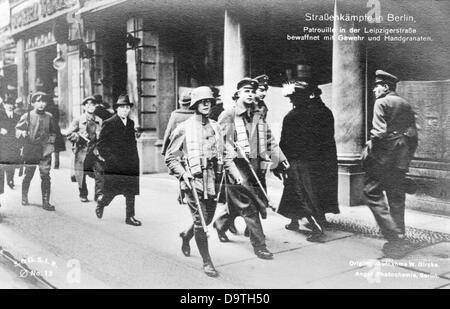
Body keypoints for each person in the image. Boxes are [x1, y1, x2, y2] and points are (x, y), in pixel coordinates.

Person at [165, 86, 241, 277]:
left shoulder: (216, 126)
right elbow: (170, 157)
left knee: (206, 218)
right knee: (201, 223)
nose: (206, 104)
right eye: (202, 102)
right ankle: (207, 262)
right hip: (194, 181)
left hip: (213, 181)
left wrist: (235, 173)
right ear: (195, 105)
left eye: (209, 101)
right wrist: (183, 174)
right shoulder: (184, 127)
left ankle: (186, 235)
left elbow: (225, 154)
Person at [215, 78, 288, 260]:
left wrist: (280, 159)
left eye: (252, 92)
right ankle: (259, 245)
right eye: (246, 91)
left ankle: (220, 223)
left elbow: (269, 139)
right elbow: (220, 143)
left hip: (254, 166)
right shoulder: (229, 115)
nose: (250, 94)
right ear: (238, 93)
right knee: (249, 205)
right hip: (236, 168)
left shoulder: (257, 114)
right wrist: (231, 149)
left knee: (238, 204)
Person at [362, 70, 418, 259]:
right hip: (401, 158)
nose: (373, 90)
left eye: (376, 86)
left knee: (371, 192)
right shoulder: (405, 104)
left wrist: (370, 154)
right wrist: (407, 157)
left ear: (385, 87)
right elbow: (413, 135)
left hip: (383, 157)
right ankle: (400, 234)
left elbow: (378, 133)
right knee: (396, 196)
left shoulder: (381, 102)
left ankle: (392, 235)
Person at [277, 78, 339, 242]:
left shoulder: (292, 116)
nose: (290, 100)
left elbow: (284, 143)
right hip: (319, 161)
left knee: (301, 193)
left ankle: (315, 228)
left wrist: (280, 164)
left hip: (298, 162)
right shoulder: (322, 112)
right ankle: (294, 221)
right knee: (303, 191)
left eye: (292, 97)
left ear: (297, 98)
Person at [96, 94, 141, 226]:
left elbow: (132, 143)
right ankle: (101, 203)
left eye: (127, 107)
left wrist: (135, 160)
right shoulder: (109, 123)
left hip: (130, 164)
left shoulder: (131, 123)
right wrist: (111, 159)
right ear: (117, 109)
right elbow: (101, 144)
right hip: (115, 165)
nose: (125, 110)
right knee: (111, 193)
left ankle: (130, 217)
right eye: (122, 107)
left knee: (130, 191)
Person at [16, 92, 56, 211]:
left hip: (45, 150)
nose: (41, 104)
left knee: (45, 175)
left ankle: (46, 202)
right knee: (28, 174)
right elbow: (17, 129)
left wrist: (50, 142)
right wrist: (23, 133)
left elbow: (53, 131)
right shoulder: (27, 116)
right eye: (38, 101)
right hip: (31, 149)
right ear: (33, 103)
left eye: (43, 101)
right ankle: (24, 196)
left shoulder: (49, 116)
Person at [64, 96, 105, 203]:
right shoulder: (78, 120)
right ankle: (83, 193)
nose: (91, 107)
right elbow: (68, 133)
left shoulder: (99, 120)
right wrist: (77, 137)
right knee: (81, 174)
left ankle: (98, 195)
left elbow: (104, 136)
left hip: (95, 152)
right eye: (88, 105)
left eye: (93, 105)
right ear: (84, 107)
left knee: (100, 172)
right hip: (82, 151)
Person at [0, 97, 21, 207]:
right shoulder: (0, 114)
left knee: (12, 163)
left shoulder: (17, 116)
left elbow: (21, 127)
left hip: (13, 144)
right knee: (2, 167)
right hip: (1, 145)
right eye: (7, 104)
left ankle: (11, 180)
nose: (10, 105)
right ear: (4, 105)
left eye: (11, 103)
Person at [161, 91, 194, 156]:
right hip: (192, 149)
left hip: (177, 148)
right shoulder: (196, 115)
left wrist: (164, 149)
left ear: (180, 104)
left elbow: (168, 132)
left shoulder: (175, 115)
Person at [45, 97, 65, 169]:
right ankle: (56, 165)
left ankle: (48, 164)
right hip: (56, 128)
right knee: (56, 149)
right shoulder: (55, 108)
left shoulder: (46, 109)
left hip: (49, 129)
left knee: (49, 148)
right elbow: (58, 118)